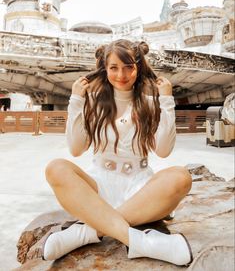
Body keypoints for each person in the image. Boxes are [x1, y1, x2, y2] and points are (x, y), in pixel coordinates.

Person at [42, 39, 193, 265]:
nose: (121, 75)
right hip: (99, 184)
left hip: (140, 187)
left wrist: (167, 101)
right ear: (105, 69)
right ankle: (142, 242)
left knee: (181, 177)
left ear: (138, 67)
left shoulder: (150, 102)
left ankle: (87, 232)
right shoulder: (93, 101)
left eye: (128, 67)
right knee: (56, 168)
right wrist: (75, 100)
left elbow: (163, 151)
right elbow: (76, 149)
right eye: (114, 68)